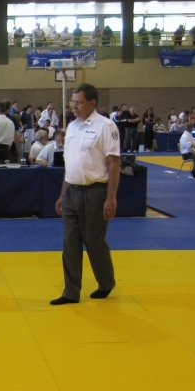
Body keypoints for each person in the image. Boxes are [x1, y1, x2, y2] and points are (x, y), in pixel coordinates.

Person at [51, 83, 120, 305]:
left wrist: (111, 197)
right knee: (70, 242)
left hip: (95, 192)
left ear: (92, 103)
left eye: (79, 103)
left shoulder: (105, 126)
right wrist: (63, 193)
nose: (74, 106)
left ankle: (106, 282)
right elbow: (71, 163)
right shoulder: (72, 127)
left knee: (94, 241)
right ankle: (71, 292)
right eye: (73, 102)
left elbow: (114, 164)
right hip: (72, 190)